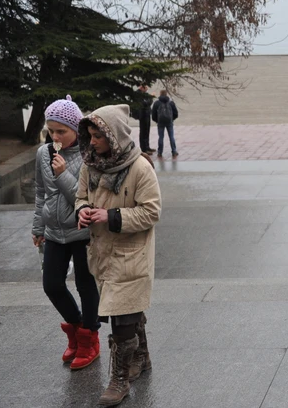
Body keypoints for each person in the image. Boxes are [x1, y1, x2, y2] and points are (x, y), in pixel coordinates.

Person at [75, 105, 161, 407]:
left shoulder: (140, 167)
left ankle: (119, 379)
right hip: (101, 252)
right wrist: (82, 210)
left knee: (122, 315)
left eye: (99, 135)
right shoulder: (89, 164)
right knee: (125, 308)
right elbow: (81, 195)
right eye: (90, 135)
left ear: (115, 136)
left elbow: (151, 212)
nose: (93, 141)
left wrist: (110, 216)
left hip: (130, 253)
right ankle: (142, 356)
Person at [32, 96, 101, 370]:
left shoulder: (89, 156)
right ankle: (76, 331)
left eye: (62, 130)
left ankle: (90, 340)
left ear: (76, 129)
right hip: (53, 231)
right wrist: (38, 226)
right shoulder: (43, 153)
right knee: (52, 285)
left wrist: (62, 174)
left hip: (82, 232)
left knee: (86, 287)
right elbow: (40, 192)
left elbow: (87, 200)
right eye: (51, 130)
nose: (56, 136)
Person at [151, 90, 179, 158]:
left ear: (160, 94)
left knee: (161, 137)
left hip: (160, 122)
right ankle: (174, 151)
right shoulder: (171, 102)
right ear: (166, 94)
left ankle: (160, 152)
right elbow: (176, 113)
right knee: (171, 137)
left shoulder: (157, 103)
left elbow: (153, 114)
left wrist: (157, 120)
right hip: (169, 122)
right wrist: (171, 119)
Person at [135, 85, 154, 154]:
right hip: (143, 115)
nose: (147, 89)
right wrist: (151, 98)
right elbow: (145, 104)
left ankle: (147, 146)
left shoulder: (145, 94)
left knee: (147, 131)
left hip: (147, 114)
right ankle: (144, 149)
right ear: (142, 87)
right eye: (145, 88)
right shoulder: (138, 94)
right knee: (143, 131)